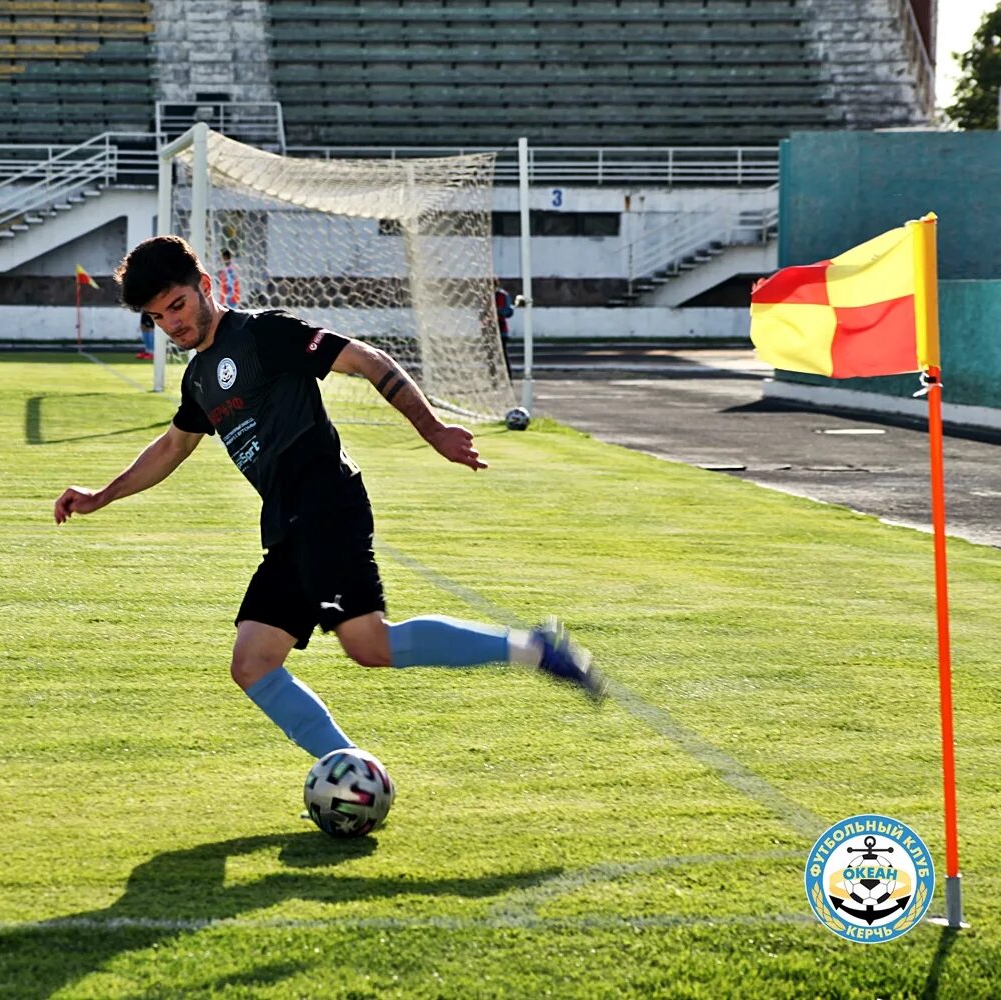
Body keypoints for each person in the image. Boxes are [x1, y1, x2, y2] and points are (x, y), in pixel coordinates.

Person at [53, 236, 602, 767]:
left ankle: (534, 649)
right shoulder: (198, 378)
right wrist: (102, 496)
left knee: (368, 645)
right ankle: (347, 768)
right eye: (159, 317)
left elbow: (365, 359)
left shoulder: (263, 333)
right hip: (286, 525)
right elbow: (173, 445)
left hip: (325, 501)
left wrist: (433, 430)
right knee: (253, 664)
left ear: (204, 285)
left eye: (177, 305)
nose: (172, 323)